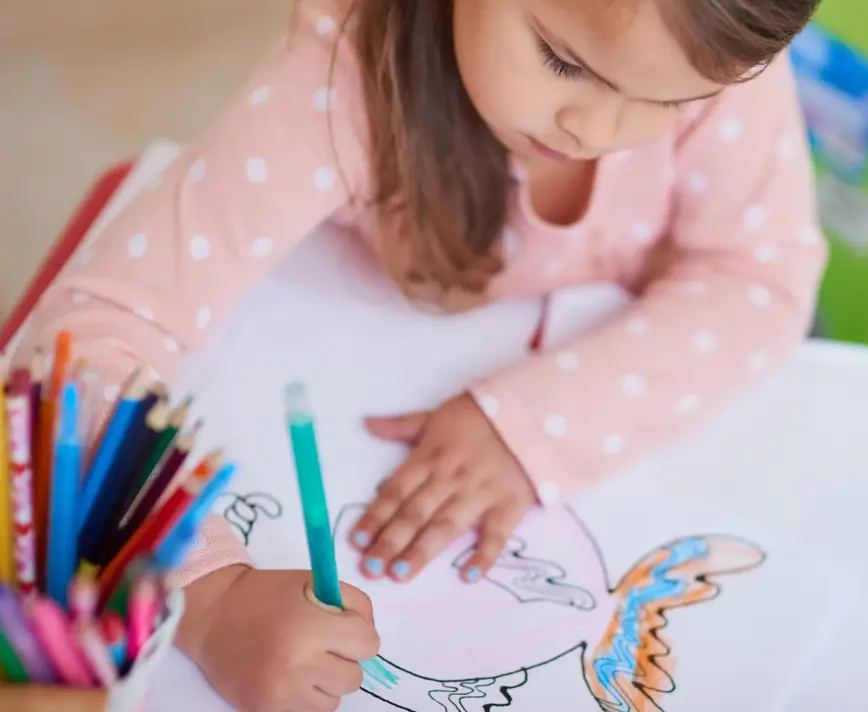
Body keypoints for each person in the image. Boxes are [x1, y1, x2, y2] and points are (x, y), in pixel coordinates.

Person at [16, 0, 826, 709]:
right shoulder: (340, 77)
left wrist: (534, 424)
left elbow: (761, 276)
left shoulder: (719, 38)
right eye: (562, 60)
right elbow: (84, 345)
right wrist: (207, 595)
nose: (599, 131)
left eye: (672, 101)